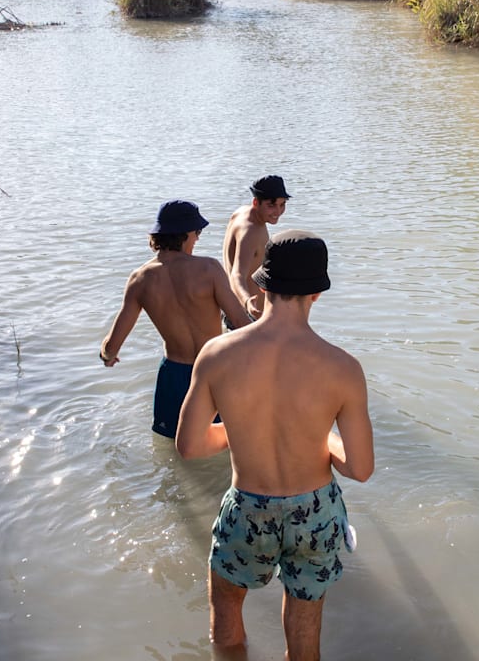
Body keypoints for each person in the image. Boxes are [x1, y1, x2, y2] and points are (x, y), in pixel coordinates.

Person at [176, 230, 374, 661]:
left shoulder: (216, 354)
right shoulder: (343, 367)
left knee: (226, 613)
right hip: (316, 512)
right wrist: (320, 437)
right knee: (305, 638)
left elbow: (189, 446)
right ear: (317, 294)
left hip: (248, 505)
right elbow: (359, 468)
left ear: (262, 285)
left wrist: (241, 429)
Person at [101, 200, 250, 438]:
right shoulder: (209, 269)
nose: (198, 238)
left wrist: (107, 356)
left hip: (173, 375)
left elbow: (112, 346)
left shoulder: (139, 280)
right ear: (184, 234)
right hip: (214, 370)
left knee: (177, 448)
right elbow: (242, 324)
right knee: (224, 441)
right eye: (197, 232)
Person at [221, 175, 290, 324]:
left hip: (235, 308)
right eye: (271, 205)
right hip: (246, 314)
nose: (278, 211)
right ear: (255, 202)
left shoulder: (241, 213)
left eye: (282, 204)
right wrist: (247, 302)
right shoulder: (251, 231)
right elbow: (237, 274)